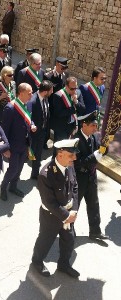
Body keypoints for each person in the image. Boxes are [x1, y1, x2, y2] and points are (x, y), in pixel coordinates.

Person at [32, 138, 80, 278]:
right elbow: (49, 202)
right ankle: (37, 261)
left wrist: (74, 210)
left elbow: (75, 187)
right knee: (45, 241)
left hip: (68, 214)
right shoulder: (45, 174)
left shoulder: (69, 165)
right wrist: (66, 216)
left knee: (69, 240)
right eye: (71, 155)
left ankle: (63, 264)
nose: (75, 158)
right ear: (60, 154)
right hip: (51, 216)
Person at [74, 111, 109, 240]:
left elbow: (101, 151)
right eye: (93, 125)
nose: (96, 128)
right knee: (74, 205)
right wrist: (94, 156)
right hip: (79, 177)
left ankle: (95, 231)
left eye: (96, 125)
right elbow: (77, 162)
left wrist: (105, 147)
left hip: (91, 176)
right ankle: (69, 230)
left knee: (94, 203)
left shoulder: (93, 137)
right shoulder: (75, 140)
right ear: (84, 125)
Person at [0, 83, 35, 201]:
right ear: (21, 93)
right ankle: (3, 188)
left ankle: (13, 187)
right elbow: (4, 130)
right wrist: (5, 148)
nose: (31, 95)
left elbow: (29, 118)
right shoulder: (10, 108)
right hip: (13, 145)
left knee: (19, 168)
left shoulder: (28, 104)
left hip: (24, 143)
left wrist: (32, 125)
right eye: (29, 93)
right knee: (13, 169)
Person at [27, 80, 53, 179]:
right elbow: (29, 115)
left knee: (38, 154)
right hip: (34, 134)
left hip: (42, 132)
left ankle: (35, 174)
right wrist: (32, 125)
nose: (52, 93)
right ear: (45, 91)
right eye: (51, 91)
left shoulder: (45, 98)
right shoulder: (32, 101)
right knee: (31, 153)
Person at [53, 77, 85, 142]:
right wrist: (74, 109)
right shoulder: (58, 95)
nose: (74, 91)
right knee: (59, 149)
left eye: (75, 88)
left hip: (73, 125)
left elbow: (83, 109)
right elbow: (58, 113)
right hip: (61, 127)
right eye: (72, 89)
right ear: (66, 86)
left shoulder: (78, 93)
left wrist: (76, 102)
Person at [45, 56, 70, 130]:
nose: (64, 70)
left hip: (62, 109)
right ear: (57, 65)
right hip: (52, 108)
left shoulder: (66, 74)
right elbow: (46, 95)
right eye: (62, 68)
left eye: (65, 68)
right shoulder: (48, 76)